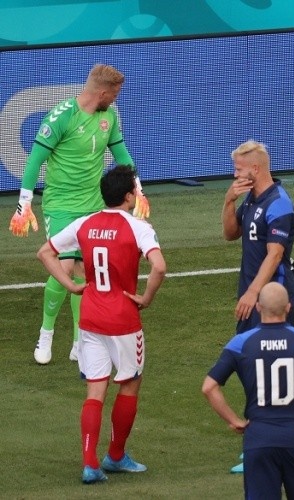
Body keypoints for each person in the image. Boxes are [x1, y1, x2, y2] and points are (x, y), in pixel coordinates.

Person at [9, 63, 150, 365]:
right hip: (61, 205)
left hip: (93, 205)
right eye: (114, 94)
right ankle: (46, 333)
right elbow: (34, 160)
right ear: (102, 93)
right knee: (63, 268)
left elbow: (122, 155)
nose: (116, 99)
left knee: (86, 272)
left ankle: (79, 341)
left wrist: (138, 188)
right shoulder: (61, 117)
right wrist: (24, 203)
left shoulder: (109, 117)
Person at [36, 166, 166, 484]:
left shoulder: (85, 223)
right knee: (130, 383)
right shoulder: (138, 227)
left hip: (90, 317)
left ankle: (89, 464)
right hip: (123, 320)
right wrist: (146, 298)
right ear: (128, 196)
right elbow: (159, 267)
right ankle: (116, 456)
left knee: (95, 390)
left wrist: (71, 285)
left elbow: (45, 253)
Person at [202, 282, 294, 500]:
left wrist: (233, 421)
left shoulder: (240, 343)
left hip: (258, 437)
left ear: (258, 308)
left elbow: (209, 387)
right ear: (288, 307)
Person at [222, 140, 294, 333]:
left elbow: (275, 255)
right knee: (247, 348)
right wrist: (229, 201)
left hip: (273, 295)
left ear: (255, 169)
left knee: (270, 348)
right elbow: (231, 234)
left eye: (239, 169)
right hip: (250, 290)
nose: (235, 174)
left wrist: (253, 292)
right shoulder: (252, 198)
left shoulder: (279, 204)